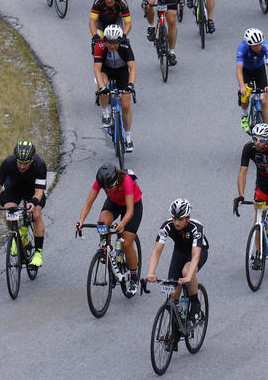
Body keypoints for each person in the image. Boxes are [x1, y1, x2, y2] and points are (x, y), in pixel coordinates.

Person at [74, 162, 142, 290]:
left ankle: (134, 276)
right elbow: (89, 202)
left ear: (116, 181)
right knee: (102, 224)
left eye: (109, 188)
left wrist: (122, 224)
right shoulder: (101, 182)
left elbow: (130, 211)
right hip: (114, 203)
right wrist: (81, 221)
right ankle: (107, 250)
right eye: (104, 188)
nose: (107, 190)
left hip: (132, 205)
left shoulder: (126, 181)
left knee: (126, 243)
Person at [0, 139, 48, 268]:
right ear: (16, 158)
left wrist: (33, 202)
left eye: (25, 163)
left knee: (36, 214)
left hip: (33, 191)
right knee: (9, 211)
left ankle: (38, 253)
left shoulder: (40, 165)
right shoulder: (8, 162)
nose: (22, 166)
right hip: (14, 189)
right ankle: (17, 234)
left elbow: (39, 192)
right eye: (19, 162)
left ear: (32, 160)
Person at [144, 198, 207, 322]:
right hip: (179, 252)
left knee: (186, 271)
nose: (176, 223)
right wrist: (151, 273)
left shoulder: (196, 228)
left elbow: (195, 256)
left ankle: (195, 303)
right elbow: (156, 251)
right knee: (173, 295)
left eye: (180, 219)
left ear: (187, 218)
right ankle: (176, 329)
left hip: (197, 252)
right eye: (174, 219)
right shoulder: (167, 226)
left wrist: (188, 277)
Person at [92, 24, 137, 151]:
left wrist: (131, 85)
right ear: (104, 40)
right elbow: (97, 69)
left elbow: (132, 68)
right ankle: (105, 113)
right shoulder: (100, 46)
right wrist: (102, 87)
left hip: (122, 72)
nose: (112, 46)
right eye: (109, 43)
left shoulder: (125, 46)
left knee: (126, 104)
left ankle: (128, 138)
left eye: (115, 43)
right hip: (106, 70)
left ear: (120, 40)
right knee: (103, 87)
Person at [233, 27, 268, 131]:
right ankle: (245, 115)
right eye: (256, 45)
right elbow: (239, 69)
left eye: (260, 43)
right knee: (246, 94)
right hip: (246, 71)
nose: (259, 47)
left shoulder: (265, 45)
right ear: (249, 45)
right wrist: (242, 86)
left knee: (264, 101)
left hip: (259, 70)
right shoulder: (242, 47)